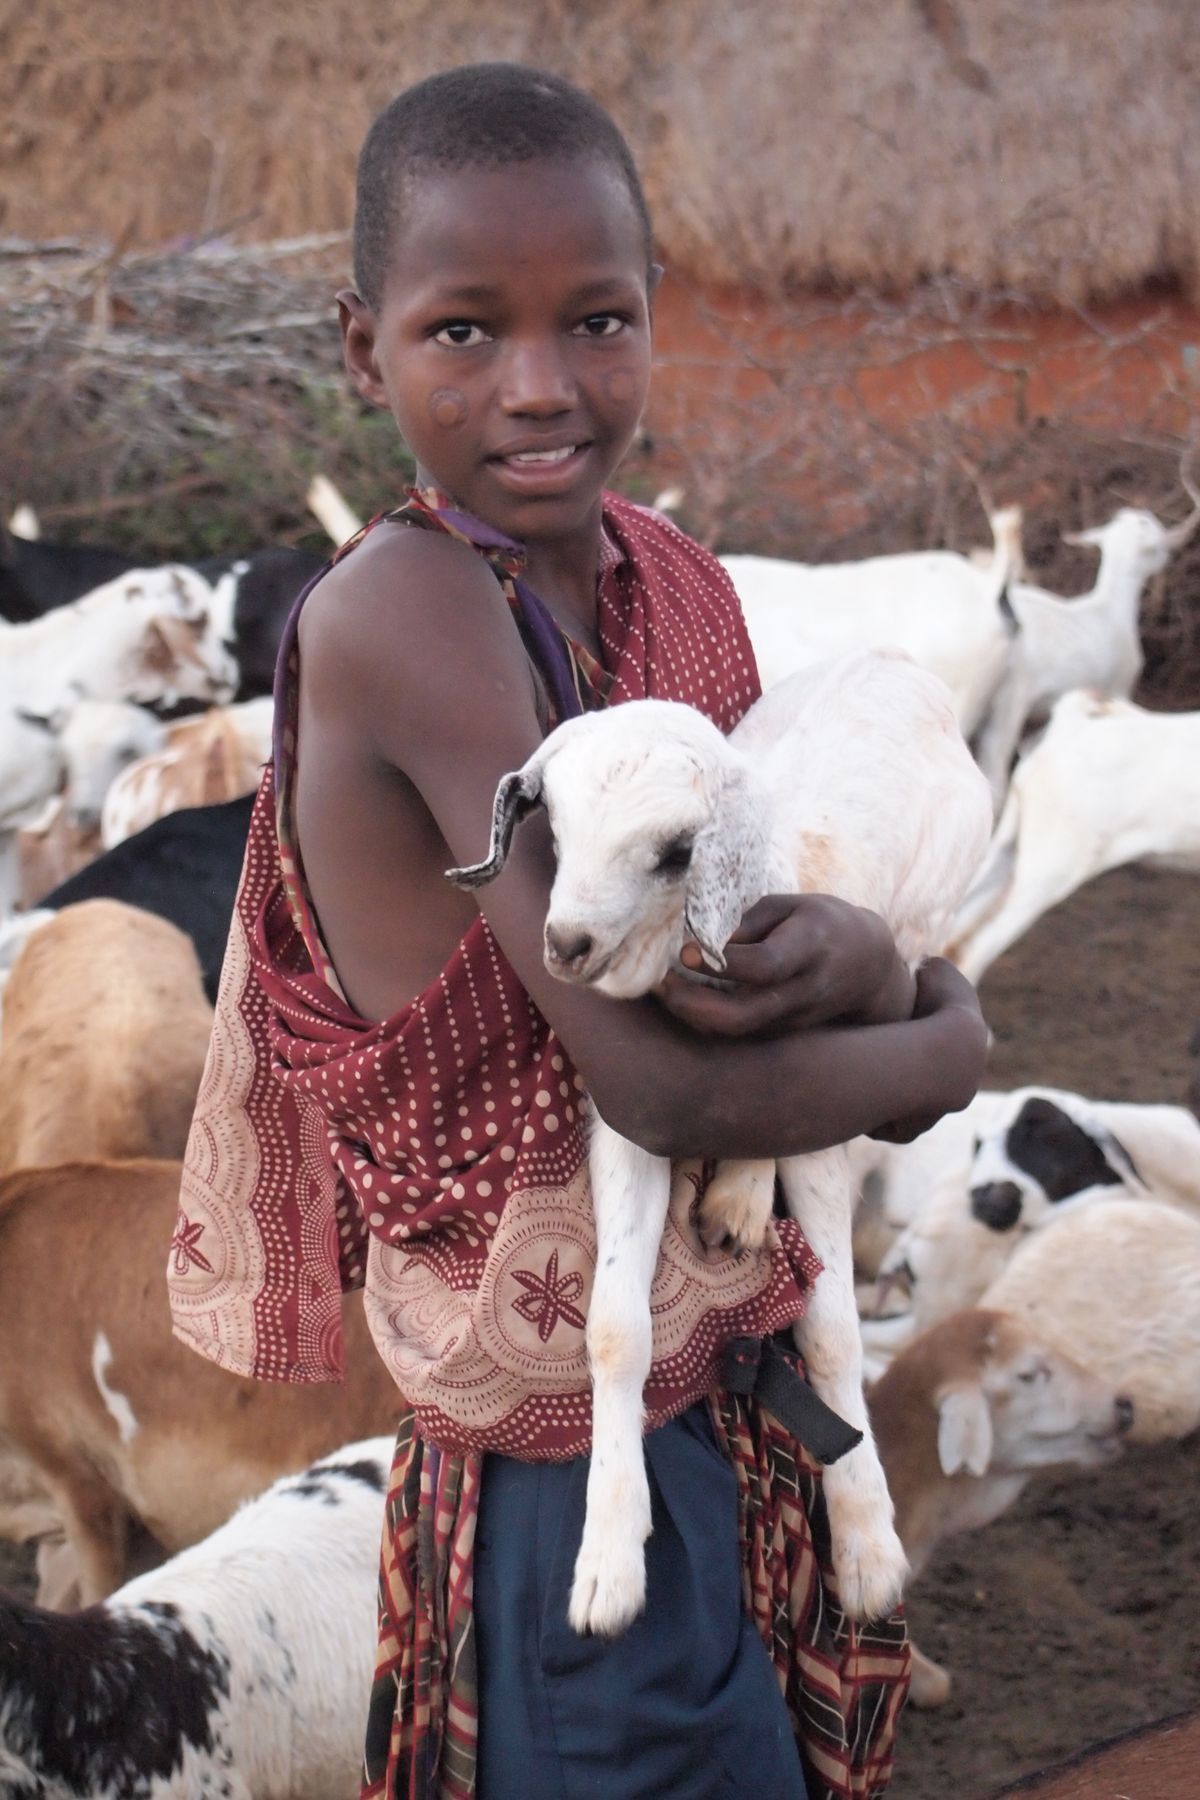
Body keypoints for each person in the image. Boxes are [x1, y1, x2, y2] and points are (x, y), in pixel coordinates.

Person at [169, 62, 989, 1800]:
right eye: (464, 332)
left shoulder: (663, 580)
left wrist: (847, 965)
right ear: (359, 347)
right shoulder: (402, 621)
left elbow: (749, 942)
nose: (538, 388)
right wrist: (943, 1029)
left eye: (595, 321)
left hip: (710, 1371)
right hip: (558, 1458)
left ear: (652, 315)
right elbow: (669, 1082)